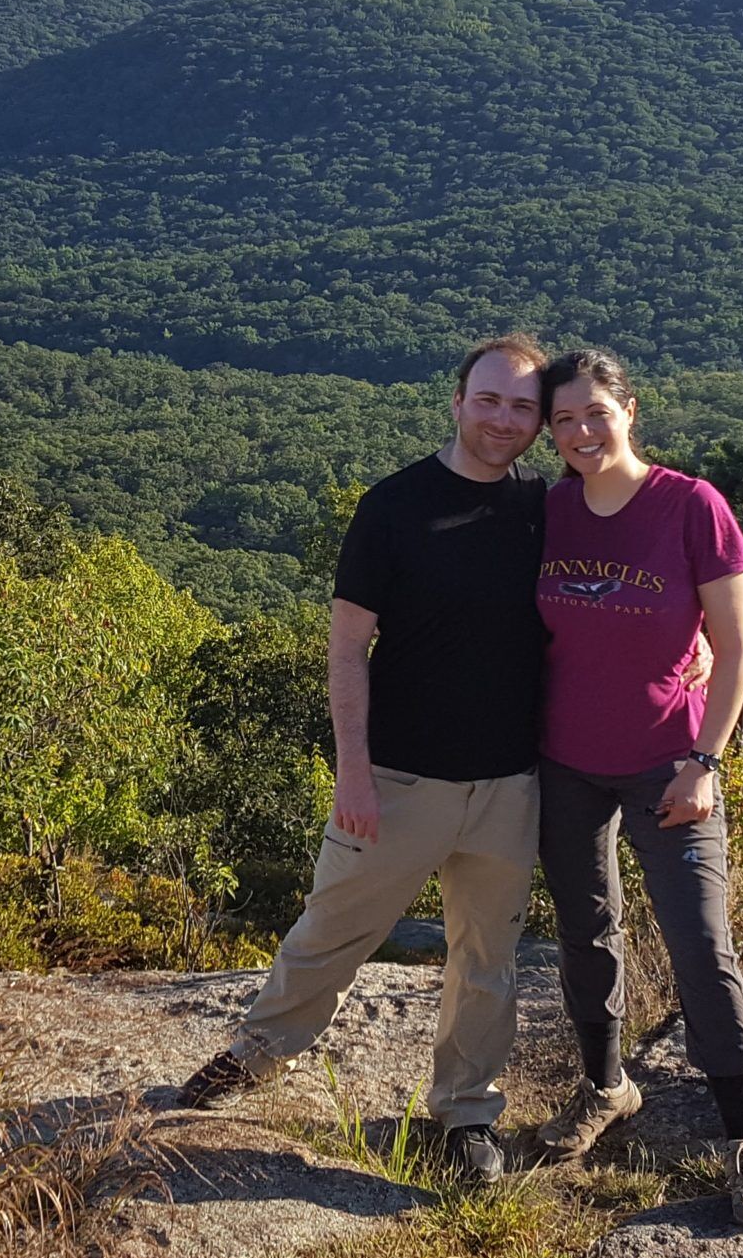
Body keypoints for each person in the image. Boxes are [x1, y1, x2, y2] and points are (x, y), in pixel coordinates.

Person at [172, 334, 557, 1185]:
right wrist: (352, 771)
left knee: (486, 959)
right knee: (332, 930)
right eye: (488, 400)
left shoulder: (547, 510)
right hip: (398, 777)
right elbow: (348, 649)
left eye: (523, 406)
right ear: (456, 401)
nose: (503, 419)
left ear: (541, 421)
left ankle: (465, 1113)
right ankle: (255, 1055)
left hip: (510, 783)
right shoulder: (394, 506)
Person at [527, 346, 743, 1231]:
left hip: (669, 763)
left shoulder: (691, 507)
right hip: (565, 761)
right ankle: (607, 1087)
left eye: (593, 413)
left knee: (701, 948)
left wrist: (705, 762)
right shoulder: (551, 510)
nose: (578, 433)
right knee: (584, 931)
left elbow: (737, 646)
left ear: (629, 410)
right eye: (561, 420)